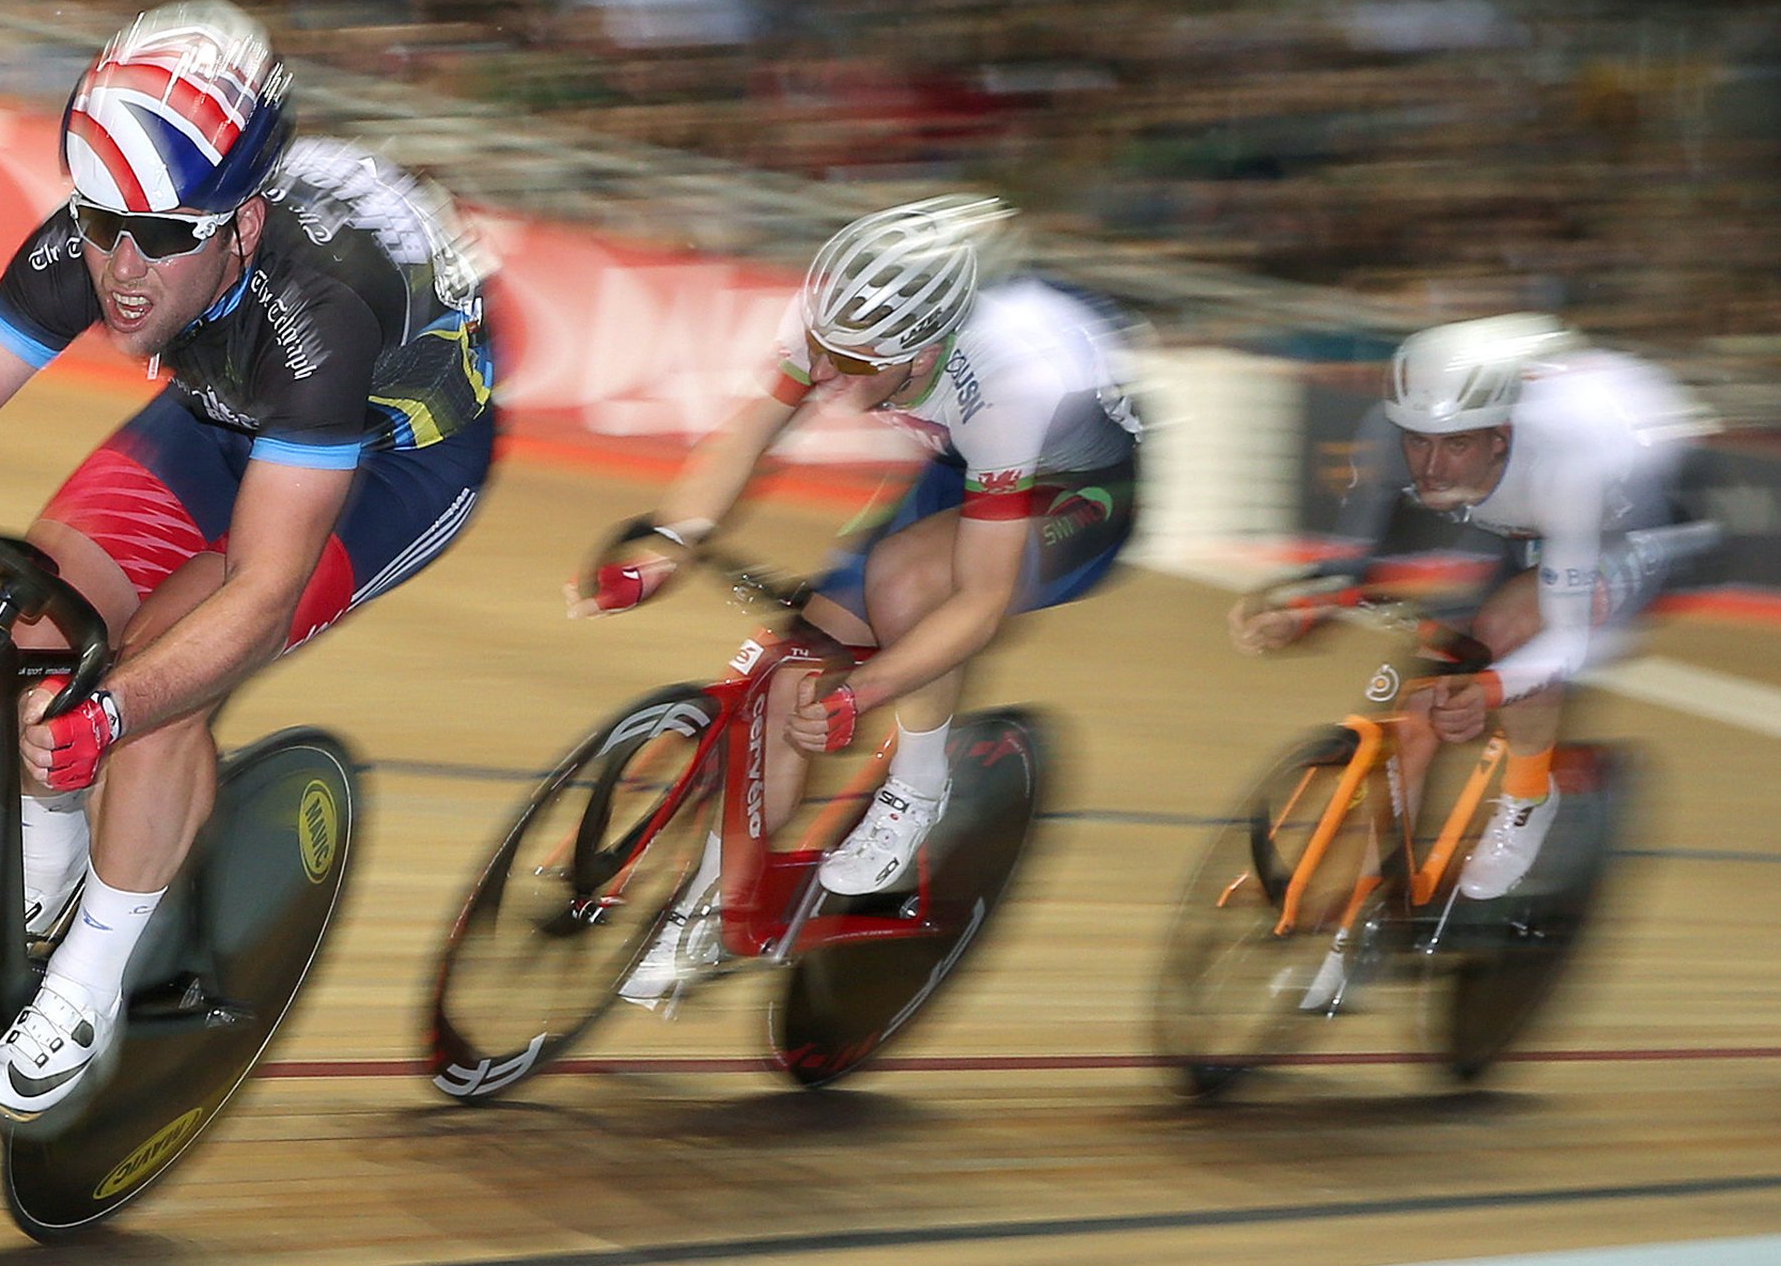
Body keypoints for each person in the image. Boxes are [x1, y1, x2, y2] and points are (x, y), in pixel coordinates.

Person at [0, 0, 499, 1123]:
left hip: (389, 459)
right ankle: (47, 877)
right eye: (100, 223)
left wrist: (118, 711)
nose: (124, 270)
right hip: (227, 407)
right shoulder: (129, 224)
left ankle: (91, 982)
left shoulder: (317, 311)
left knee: (158, 683)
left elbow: (264, 592)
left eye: (164, 237)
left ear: (243, 226)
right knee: (37, 617)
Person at [573, 194, 1146, 1003]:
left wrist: (865, 695)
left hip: (1078, 494)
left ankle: (917, 789)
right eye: (825, 352)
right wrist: (672, 539)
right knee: (791, 675)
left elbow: (977, 603)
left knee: (910, 583)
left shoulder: (1009, 384)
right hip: (962, 469)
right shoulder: (841, 324)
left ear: (921, 355)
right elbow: (751, 430)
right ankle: (707, 907)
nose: (830, 376)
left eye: (854, 364)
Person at [1228, 313, 1711, 980]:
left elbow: (1568, 637)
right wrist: (1301, 605)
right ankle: (1378, 895)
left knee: (1512, 639)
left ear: (1500, 432)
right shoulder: (1396, 432)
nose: (1428, 463)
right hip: (1519, 519)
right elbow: (1352, 565)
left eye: (1452, 445)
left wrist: (1491, 686)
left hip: (1632, 523)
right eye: (1418, 442)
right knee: (1422, 694)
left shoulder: (1570, 462)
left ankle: (1528, 796)